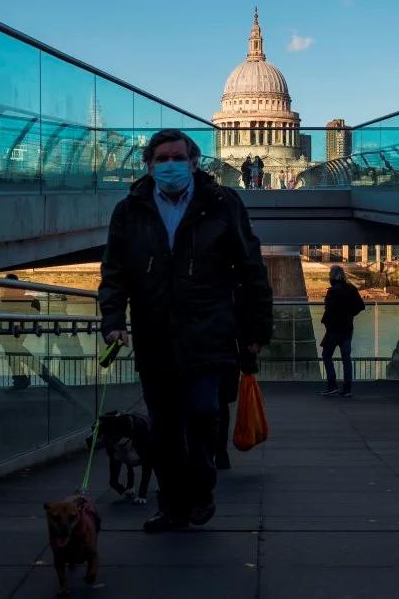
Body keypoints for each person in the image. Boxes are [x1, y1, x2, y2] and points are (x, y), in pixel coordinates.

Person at [99, 128, 273, 533]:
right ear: (149, 165)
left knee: (202, 412)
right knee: (162, 427)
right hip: (153, 331)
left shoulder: (223, 202)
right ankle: (171, 503)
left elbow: (251, 267)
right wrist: (113, 321)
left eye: (178, 157)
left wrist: (255, 327)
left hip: (208, 328)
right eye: (162, 159)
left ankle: (202, 489)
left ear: (194, 162)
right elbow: (115, 271)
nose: (170, 165)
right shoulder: (130, 210)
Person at [319, 265, 365, 397]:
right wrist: (350, 314)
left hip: (333, 329)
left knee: (327, 355)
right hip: (347, 328)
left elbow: (329, 311)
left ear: (333, 276)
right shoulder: (351, 288)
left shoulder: (333, 291)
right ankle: (347, 388)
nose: (328, 276)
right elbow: (361, 306)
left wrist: (327, 323)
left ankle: (332, 385)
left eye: (329, 274)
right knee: (346, 358)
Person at [0, 273, 40, 389]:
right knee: (11, 352)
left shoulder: (6, 298)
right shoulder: (22, 297)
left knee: (11, 351)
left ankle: (21, 379)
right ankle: (21, 379)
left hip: (10, 329)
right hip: (19, 329)